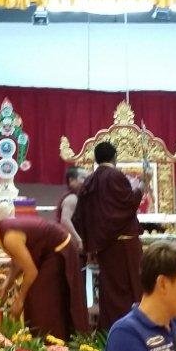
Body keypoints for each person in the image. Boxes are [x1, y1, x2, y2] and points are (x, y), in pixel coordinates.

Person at [0, 210, 90, 339]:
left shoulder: (9, 237)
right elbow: (17, 262)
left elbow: (31, 271)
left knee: (39, 297)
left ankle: (52, 341)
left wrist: (19, 300)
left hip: (59, 250)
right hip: (47, 253)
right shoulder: (1, 231)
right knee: (34, 296)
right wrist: (6, 285)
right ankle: (42, 340)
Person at [72, 141, 146, 329]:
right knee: (130, 288)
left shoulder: (90, 180)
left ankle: (109, 330)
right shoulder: (115, 176)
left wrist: (91, 245)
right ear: (114, 157)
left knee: (109, 290)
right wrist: (141, 188)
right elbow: (126, 206)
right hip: (125, 245)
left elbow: (80, 216)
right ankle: (133, 329)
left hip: (105, 248)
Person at [54, 166, 88, 253]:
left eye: (87, 178)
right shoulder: (72, 198)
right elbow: (65, 221)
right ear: (71, 180)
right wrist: (78, 239)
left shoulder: (78, 197)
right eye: (83, 178)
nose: (86, 181)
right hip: (67, 242)